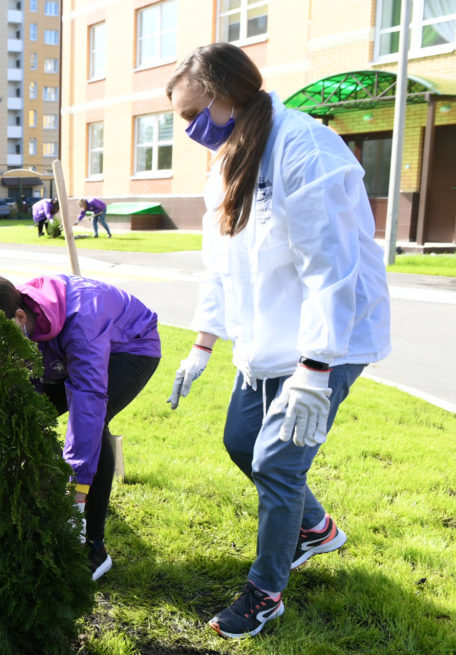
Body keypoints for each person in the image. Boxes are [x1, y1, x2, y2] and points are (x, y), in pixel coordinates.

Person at [165, 43, 391, 639]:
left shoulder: (304, 147)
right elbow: (219, 268)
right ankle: (316, 530)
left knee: (276, 463)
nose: (189, 130)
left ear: (225, 95)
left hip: (330, 337)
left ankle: (264, 593)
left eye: (192, 114)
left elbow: (333, 270)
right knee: (242, 439)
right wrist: (202, 346)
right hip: (266, 337)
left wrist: (316, 370)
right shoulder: (226, 162)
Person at [0, 272, 161, 581]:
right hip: (62, 349)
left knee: (95, 424)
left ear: (21, 316)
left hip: (129, 347)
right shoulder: (13, 316)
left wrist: (77, 486)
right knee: (28, 415)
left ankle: (93, 546)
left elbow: (87, 404)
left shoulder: (82, 323)